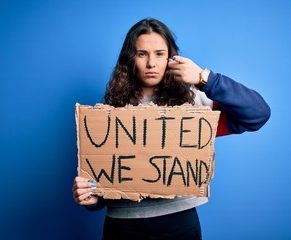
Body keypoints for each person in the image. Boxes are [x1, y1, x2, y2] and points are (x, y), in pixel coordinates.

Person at [72, 18, 270, 239]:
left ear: (170, 58)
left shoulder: (194, 103)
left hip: (179, 224)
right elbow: (105, 184)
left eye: (159, 54)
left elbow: (258, 114)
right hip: (121, 227)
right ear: (130, 59)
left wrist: (206, 79)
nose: (151, 63)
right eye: (141, 54)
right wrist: (91, 199)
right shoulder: (111, 112)